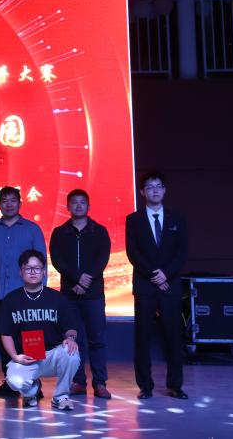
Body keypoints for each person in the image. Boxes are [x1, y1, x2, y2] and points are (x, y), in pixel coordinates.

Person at [126, 171, 189, 400]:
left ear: (164, 190)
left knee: (173, 336)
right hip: (145, 285)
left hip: (170, 286)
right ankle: (145, 386)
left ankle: (175, 385)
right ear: (142, 191)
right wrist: (154, 275)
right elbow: (133, 252)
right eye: (150, 187)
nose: (155, 190)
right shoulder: (133, 220)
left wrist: (166, 275)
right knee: (142, 337)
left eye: (158, 186)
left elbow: (182, 252)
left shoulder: (177, 219)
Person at [0, 186, 46, 397]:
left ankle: (33, 383)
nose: (9, 204)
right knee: (4, 339)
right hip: (1, 294)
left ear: (20, 203)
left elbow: (42, 263)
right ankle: (11, 382)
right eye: (4, 201)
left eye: (13, 200)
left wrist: (40, 292)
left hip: (28, 294)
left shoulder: (32, 229)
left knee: (30, 339)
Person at [0, 249, 82, 411]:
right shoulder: (11, 300)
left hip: (52, 355)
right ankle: (31, 391)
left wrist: (70, 339)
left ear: (44, 272)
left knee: (71, 353)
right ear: (20, 272)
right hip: (26, 357)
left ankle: (61, 396)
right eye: (28, 268)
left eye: (37, 268)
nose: (33, 272)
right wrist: (15, 357)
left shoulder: (57, 298)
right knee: (14, 381)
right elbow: (5, 333)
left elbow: (71, 327)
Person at [49, 188, 112, 399]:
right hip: (69, 295)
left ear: (88, 206)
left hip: (93, 294)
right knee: (73, 339)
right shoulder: (60, 232)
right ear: (68, 206)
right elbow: (57, 260)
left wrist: (85, 282)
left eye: (82, 202)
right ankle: (78, 382)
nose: (78, 206)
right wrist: (77, 278)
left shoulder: (99, 231)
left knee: (97, 339)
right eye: (74, 202)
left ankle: (100, 383)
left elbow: (102, 259)